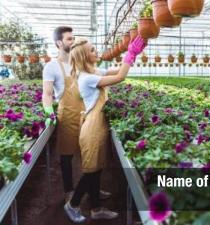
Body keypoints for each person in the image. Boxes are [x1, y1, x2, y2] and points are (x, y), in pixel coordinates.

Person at [63, 36, 146, 223]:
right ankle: (73, 204)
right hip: (92, 127)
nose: (96, 51)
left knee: (97, 168)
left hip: (98, 125)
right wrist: (129, 53)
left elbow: (117, 70)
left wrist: (130, 57)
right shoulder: (87, 78)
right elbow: (119, 77)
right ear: (85, 57)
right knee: (90, 171)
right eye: (92, 50)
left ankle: (96, 208)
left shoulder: (94, 71)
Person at [42, 26, 114, 203]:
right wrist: (49, 112)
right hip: (67, 115)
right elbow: (47, 93)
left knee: (89, 155)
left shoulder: (81, 64)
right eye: (69, 39)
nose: (72, 42)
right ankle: (69, 192)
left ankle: (92, 189)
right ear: (59, 43)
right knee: (66, 156)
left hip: (87, 113)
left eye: (73, 39)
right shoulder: (52, 66)